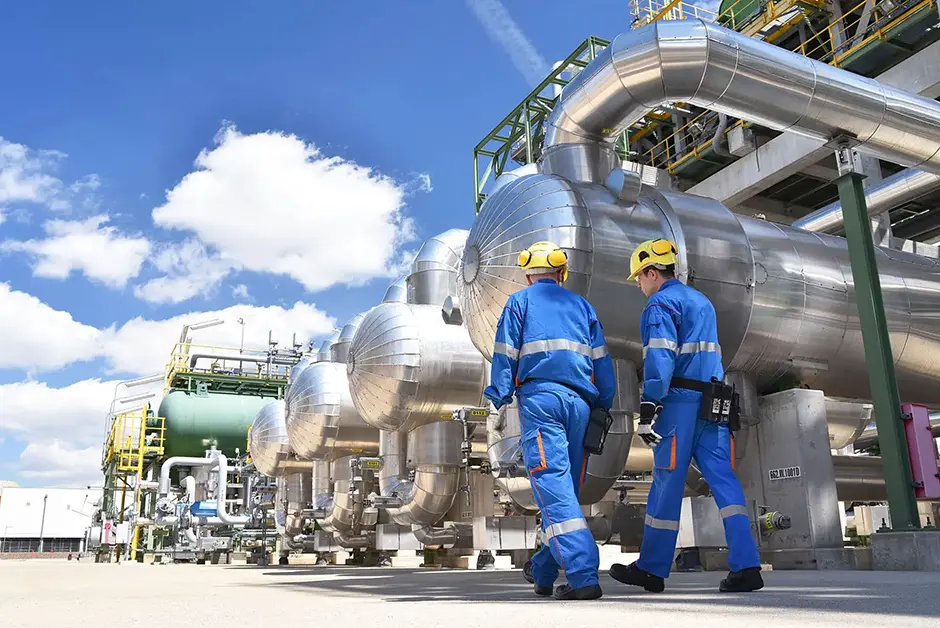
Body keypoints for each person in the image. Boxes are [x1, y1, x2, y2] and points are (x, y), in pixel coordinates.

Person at [608, 239, 763, 594]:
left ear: (652, 272)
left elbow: (660, 360)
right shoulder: (701, 302)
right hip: (714, 402)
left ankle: (651, 568)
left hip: (679, 402)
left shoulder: (660, 305)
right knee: (724, 480)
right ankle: (747, 565)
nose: (637, 284)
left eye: (638, 277)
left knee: (667, 480)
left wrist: (649, 405)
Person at [484, 241, 616, 601]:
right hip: (582, 406)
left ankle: (584, 572)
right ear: (561, 273)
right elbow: (603, 363)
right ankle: (543, 570)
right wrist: (604, 404)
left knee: (553, 490)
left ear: (528, 274)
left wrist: (497, 394)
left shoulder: (520, 302)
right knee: (563, 493)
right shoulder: (582, 306)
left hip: (543, 402)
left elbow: (505, 351)